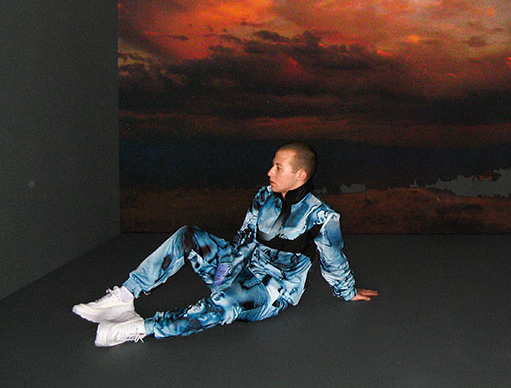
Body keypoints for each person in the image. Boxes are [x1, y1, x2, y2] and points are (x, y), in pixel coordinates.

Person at [73, 141, 378, 346]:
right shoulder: (264, 196)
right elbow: (244, 239)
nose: (269, 172)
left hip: (273, 290)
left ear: (300, 175)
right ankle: (125, 297)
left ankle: (140, 328)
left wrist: (347, 291)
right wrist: (223, 277)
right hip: (241, 269)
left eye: (278, 168)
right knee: (188, 235)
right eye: (272, 165)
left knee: (224, 304)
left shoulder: (321, 217)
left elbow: (333, 259)